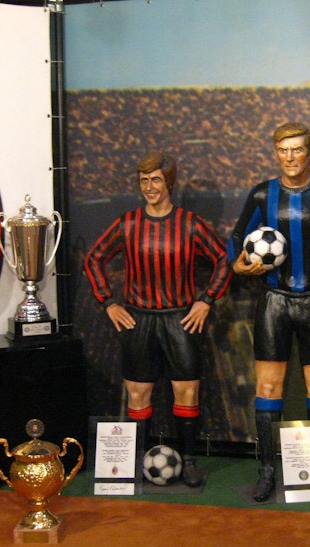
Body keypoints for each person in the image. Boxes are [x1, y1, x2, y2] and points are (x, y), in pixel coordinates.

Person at [84, 151, 231, 488]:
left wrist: (207, 300)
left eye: (155, 180)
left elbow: (224, 259)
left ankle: (189, 459)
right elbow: (93, 259)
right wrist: (108, 303)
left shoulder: (190, 224)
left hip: (180, 318)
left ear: (169, 183)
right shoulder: (128, 224)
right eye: (143, 181)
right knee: (138, 393)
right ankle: (137, 459)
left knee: (187, 391)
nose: (149, 187)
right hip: (138, 319)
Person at [229, 122, 310, 502]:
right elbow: (237, 237)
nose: (290, 157)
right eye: (283, 150)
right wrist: (238, 264)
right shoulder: (262, 194)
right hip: (275, 301)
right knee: (268, 388)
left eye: (297, 149)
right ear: (276, 153)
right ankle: (267, 470)